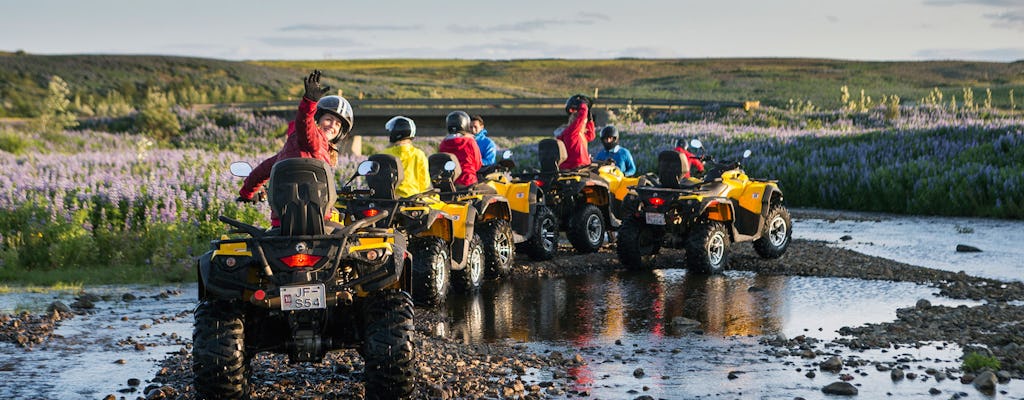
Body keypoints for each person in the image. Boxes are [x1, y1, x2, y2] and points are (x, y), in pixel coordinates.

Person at [237, 70, 353, 225]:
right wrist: (309, 103)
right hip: (316, 222)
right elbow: (305, 124)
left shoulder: (288, 150)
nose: (333, 125)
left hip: (282, 223)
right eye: (329, 119)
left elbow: (260, 172)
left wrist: (247, 193)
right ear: (317, 119)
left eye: (337, 124)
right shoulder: (313, 139)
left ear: (340, 132)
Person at [381, 116, 431, 198]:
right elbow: (424, 184)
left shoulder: (383, 154)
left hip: (388, 200)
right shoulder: (419, 154)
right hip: (413, 200)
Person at [439, 111, 484, 188]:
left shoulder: (443, 143)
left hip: (449, 184)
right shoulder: (470, 141)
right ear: (466, 124)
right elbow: (477, 164)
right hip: (468, 182)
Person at [556, 94, 596, 170]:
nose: (584, 121)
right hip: (575, 168)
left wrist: (590, 121)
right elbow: (581, 118)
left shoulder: (580, 134)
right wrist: (583, 106)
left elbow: (591, 136)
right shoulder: (571, 132)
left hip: (581, 167)